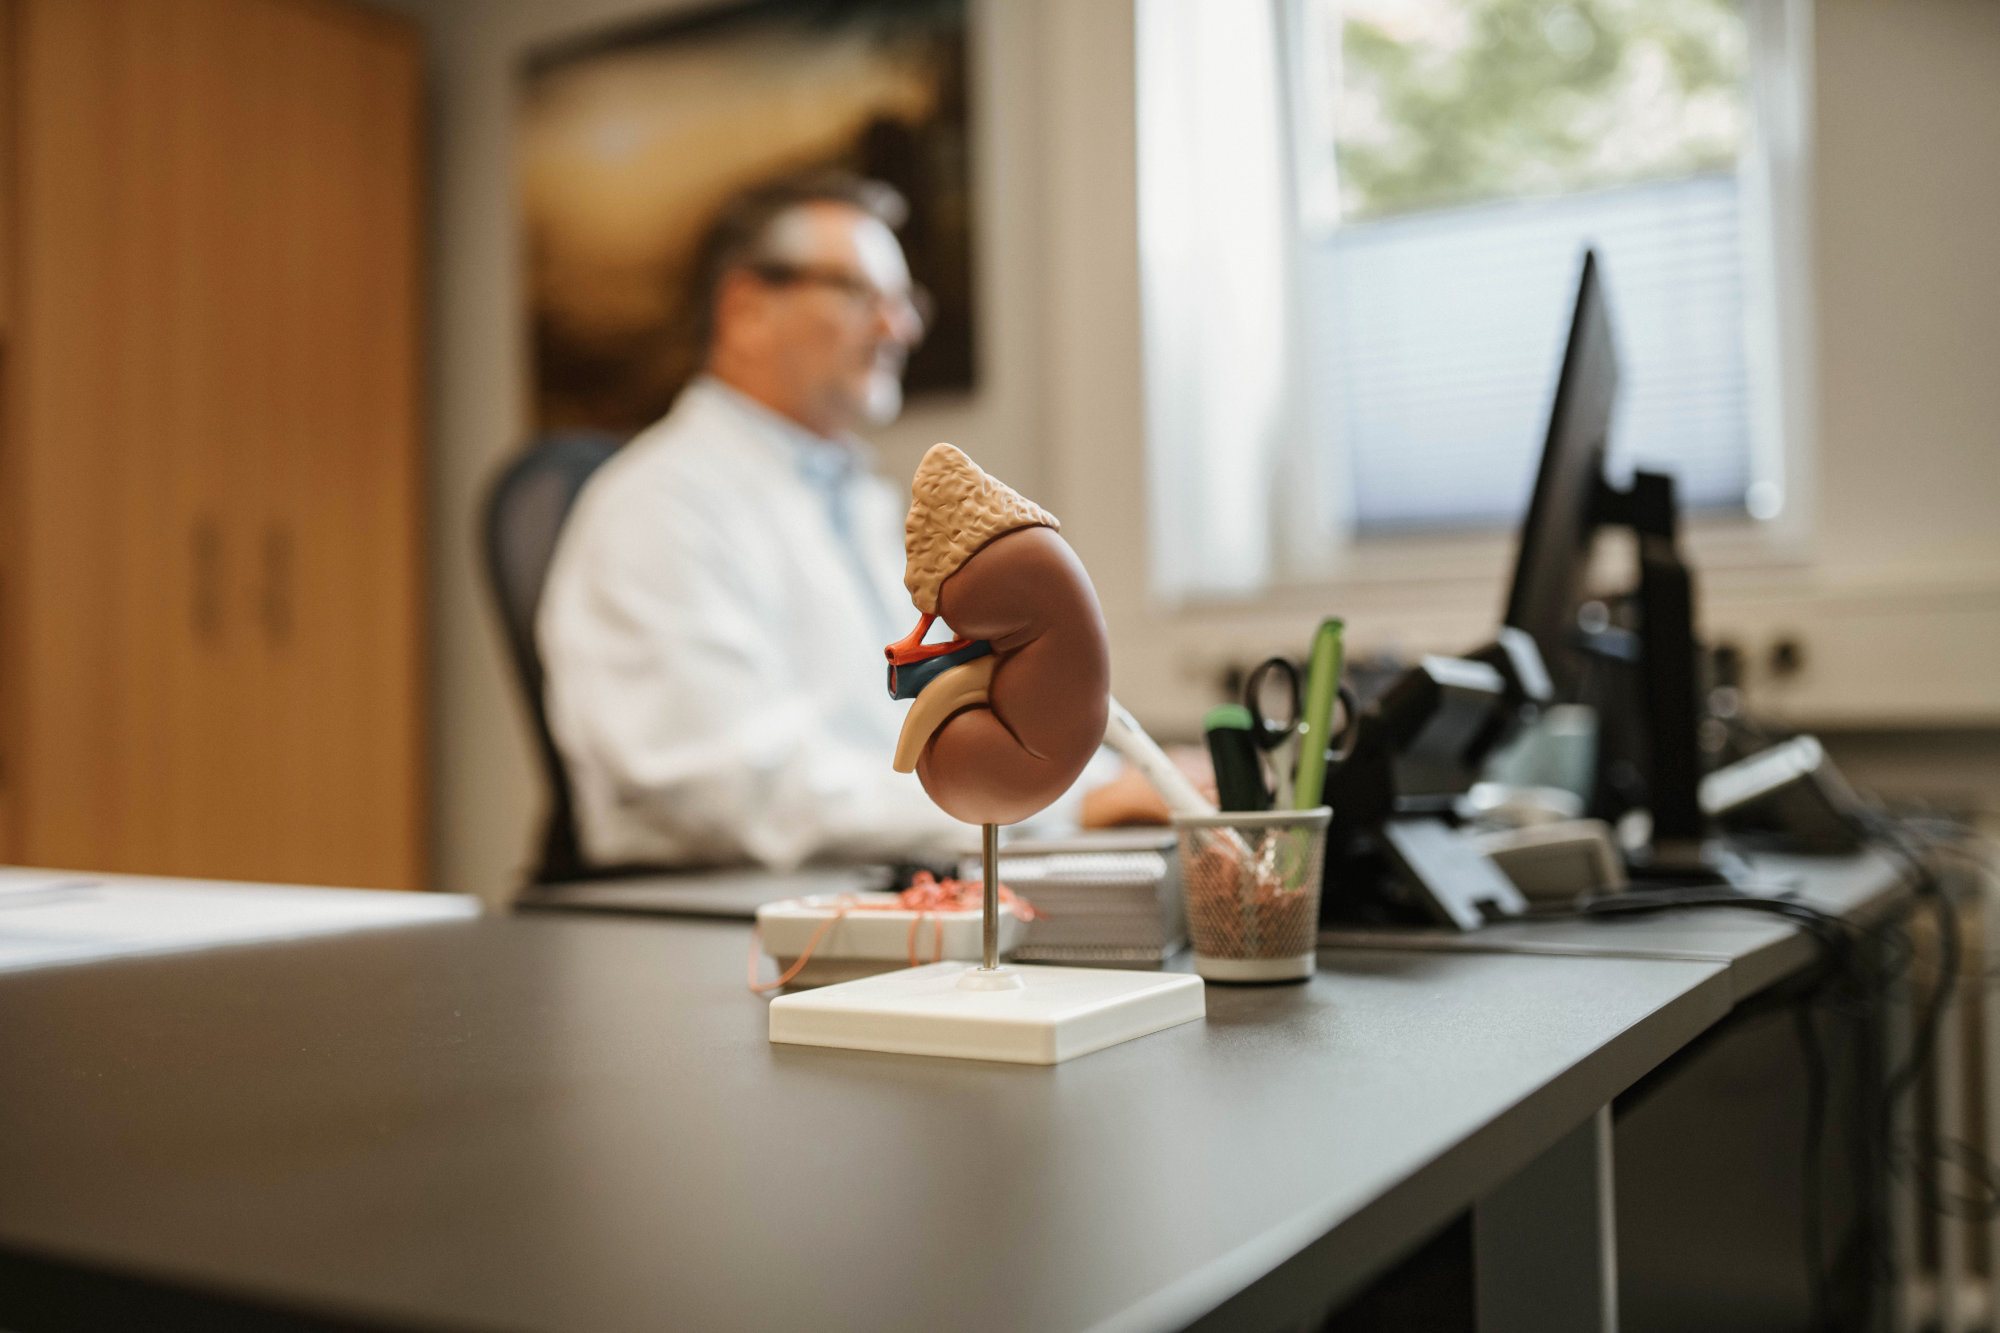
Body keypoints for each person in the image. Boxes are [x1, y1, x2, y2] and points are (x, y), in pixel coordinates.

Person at [539, 172, 1159, 871]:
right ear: (746, 310)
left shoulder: (853, 499)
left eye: (905, 301)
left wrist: (1127, 780)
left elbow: (917, 722)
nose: (902, 328)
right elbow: (739, 786)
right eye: (862, 294)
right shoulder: (656, 506)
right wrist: (1067, 804)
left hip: (878, 871)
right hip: (722, 906)